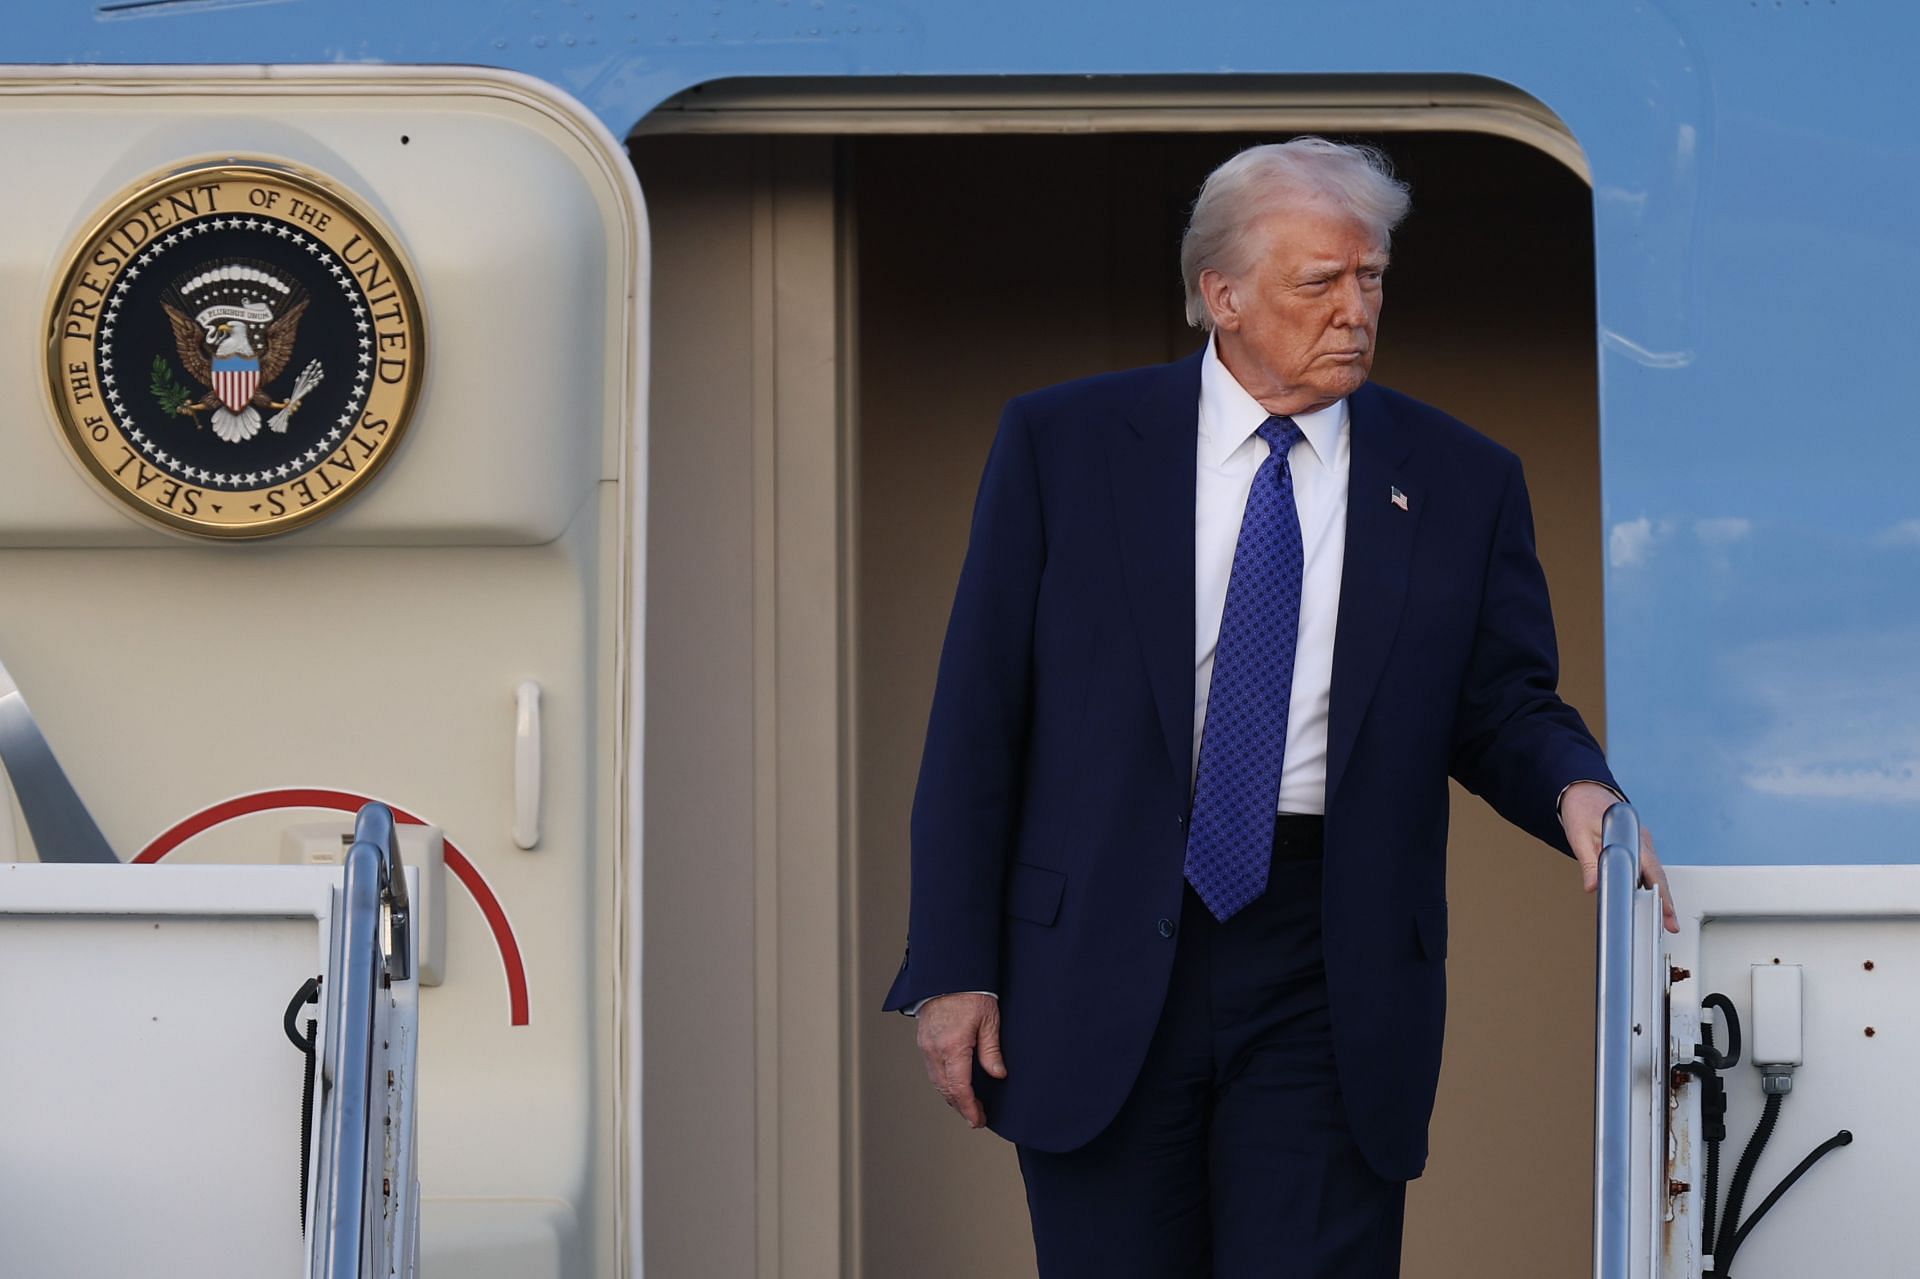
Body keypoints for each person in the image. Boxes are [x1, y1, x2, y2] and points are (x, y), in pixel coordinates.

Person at [883, 137, 1676, 1278]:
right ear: (1225, 295)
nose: (1356, 309)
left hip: (1330, 950)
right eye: (1321, 282)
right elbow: (977, 715)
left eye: (1373, 279)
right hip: (1103, 938)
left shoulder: (1460, 476)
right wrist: (955, 964)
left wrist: (1576, 785)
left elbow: (1500, 700)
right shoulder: (1065, 445)